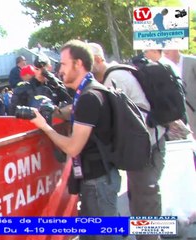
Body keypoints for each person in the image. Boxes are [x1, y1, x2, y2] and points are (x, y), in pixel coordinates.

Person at [29, 40, 121, 239]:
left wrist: (44, 126)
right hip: (95, 180)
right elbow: (75, 111)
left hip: (98, 183)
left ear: (78, 64)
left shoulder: (89, 96)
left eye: (63, 64)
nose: (59, 69)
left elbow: (72, 148)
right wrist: (55, 112)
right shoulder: (88, 92)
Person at [90, 42, 166, 240]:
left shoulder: (114, 79)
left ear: (99, 60)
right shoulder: (114, 76)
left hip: (147, 145)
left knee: (145, 198)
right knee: (140, 197)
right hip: (144, 143)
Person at [163, 50, 196, 139]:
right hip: (184, 109)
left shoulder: (192, 61)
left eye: (167, 51)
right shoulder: (165, 65)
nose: (164, 53)